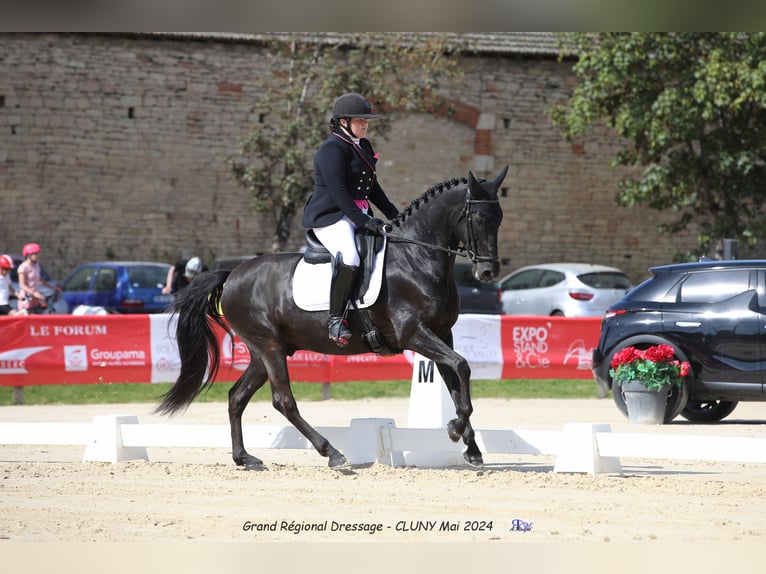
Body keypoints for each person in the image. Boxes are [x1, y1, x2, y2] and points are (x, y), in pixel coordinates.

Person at [301, 93, 400, 347]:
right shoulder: (331, 149)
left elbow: (372, 187)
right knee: (351, 255)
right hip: (331, 216)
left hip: (357, 213)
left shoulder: (363, 146)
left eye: (366, 121)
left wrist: (394, 215)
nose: (365, 125)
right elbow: (339, 192)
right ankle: (336, 320)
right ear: (343, 121)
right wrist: (362, 221)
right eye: (360, 120)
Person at [16, 243, 61, 314]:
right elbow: (22, 285)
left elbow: (40, 280)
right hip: (27, 298)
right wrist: (34, 293)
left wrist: (52, 288)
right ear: (28, 255)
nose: (37, 256)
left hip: (36, 299)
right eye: (35, 254)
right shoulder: (23, 267)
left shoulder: (36, 265)